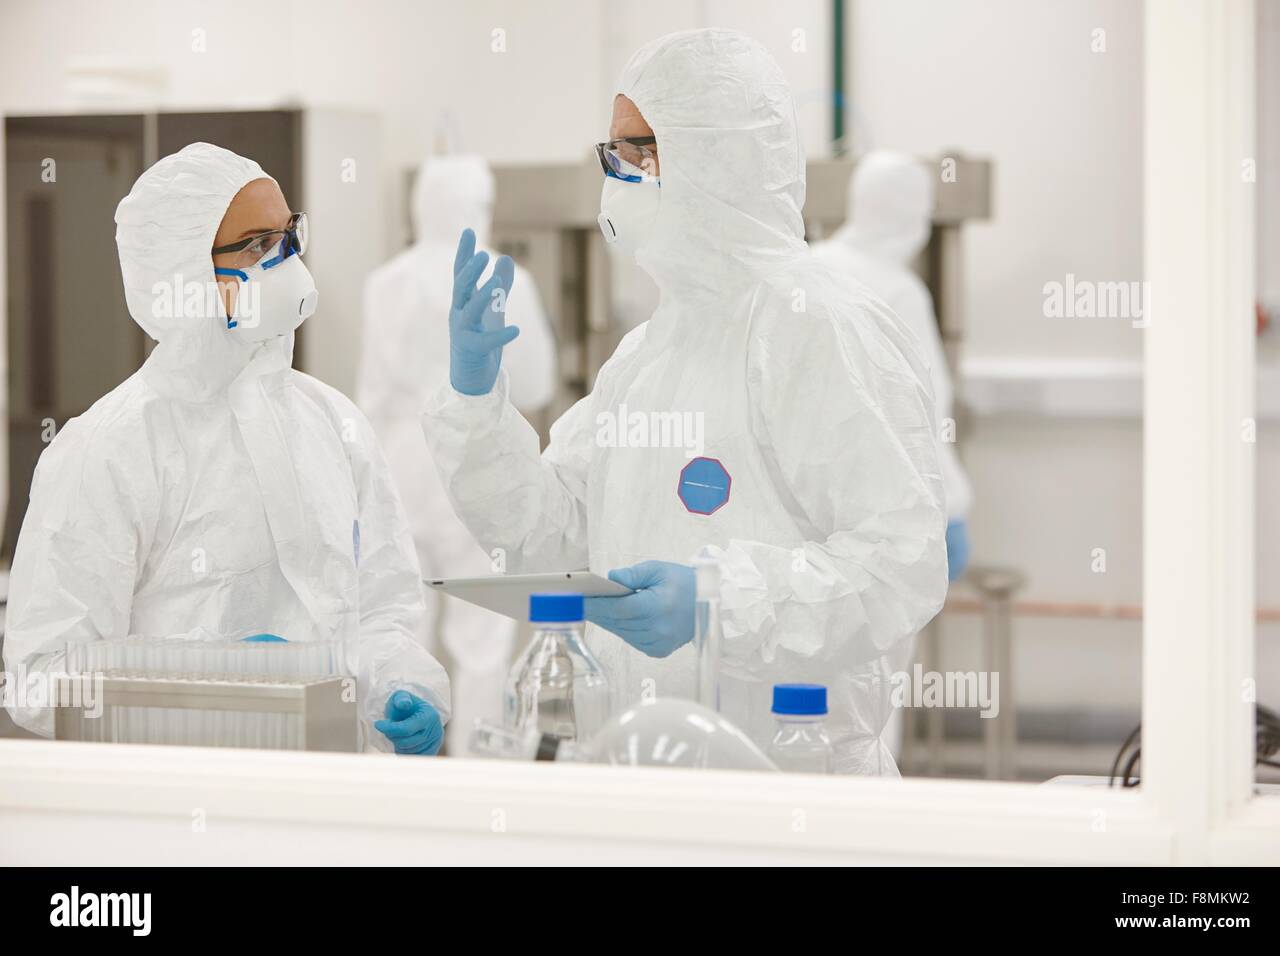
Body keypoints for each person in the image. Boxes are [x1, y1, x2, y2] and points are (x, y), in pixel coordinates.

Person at [423, 30, 948, 775]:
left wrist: (715, 605)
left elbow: (898, 564)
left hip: (790, 782)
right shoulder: (651, 352)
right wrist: (476, 403)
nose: (616, 177)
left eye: (635, 152)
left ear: (716, 157)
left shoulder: (815, 323)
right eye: (610, 155)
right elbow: (555, 536)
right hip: (639, 766)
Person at [3, 143, 450, 755]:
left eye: (290, 235)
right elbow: (41, 677)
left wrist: (399, 684)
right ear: (183, 275)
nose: (286, 258)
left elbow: (379, 608)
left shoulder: (331, 422)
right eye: (258, 245)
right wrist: (219, 679)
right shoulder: (108, 451)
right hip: (181, 808)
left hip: (334, 793)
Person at [357, 154, 556, 755]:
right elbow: (540, 382)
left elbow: (367, 394)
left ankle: (392, 771)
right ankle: (478, 774)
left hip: (396, 468)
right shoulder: (505, 277)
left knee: (396, 631)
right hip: (473, 467)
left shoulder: (383, 282)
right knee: (483, 640)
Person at [811, 151, 973, 580]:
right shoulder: (899, 292)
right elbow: (923, 412)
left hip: (813, 513)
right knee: (885, 641)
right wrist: (950, 506)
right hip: (890, 520)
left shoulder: (808, 267)